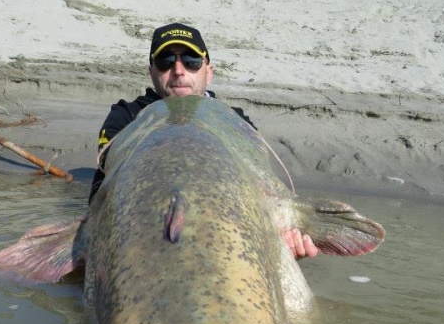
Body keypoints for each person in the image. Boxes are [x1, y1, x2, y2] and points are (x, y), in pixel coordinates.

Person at [89, 23, 317, 259]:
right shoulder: (125, 116)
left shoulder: (236, 119)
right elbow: (106, 184)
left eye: (191, 61)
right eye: (166, 61)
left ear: (208, 71)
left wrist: (283, 235)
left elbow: (259, 183)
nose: (178, 70)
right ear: (151, 72)